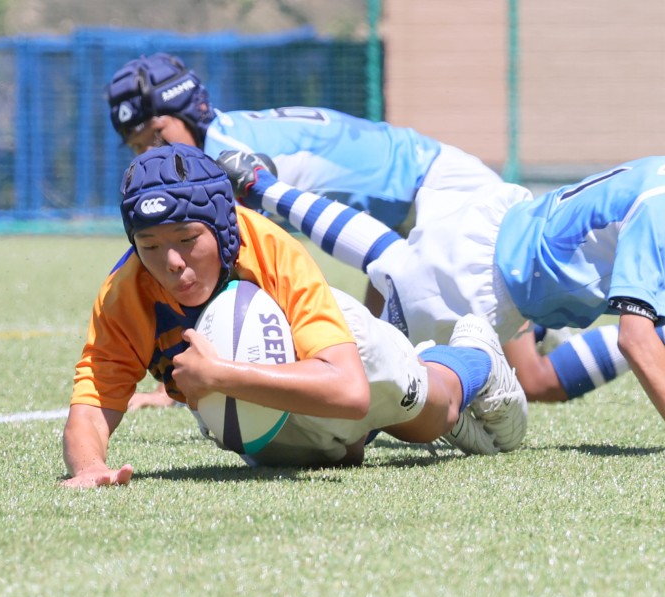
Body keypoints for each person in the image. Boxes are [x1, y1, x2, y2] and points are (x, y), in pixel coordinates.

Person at [105, 51, 629, 406]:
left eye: (157, 134)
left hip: (444, 202)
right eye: (137, 146)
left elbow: (247, 273)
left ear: (189, 112)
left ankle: (646, 332)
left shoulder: (225, 157)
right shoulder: (226, 136)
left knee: (526, 378)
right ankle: (556, 327)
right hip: (411, 214)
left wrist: (203, 369)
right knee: (388, 353)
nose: (151, 154)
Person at [60, 144, 528, 488]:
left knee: (432, 418)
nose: (172, 262)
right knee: (338, 456)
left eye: (187, 239)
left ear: (223, 229)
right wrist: (90, 467)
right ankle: (358, 433)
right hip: (260, 396)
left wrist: (219, 375)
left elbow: (349, 392)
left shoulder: (269, 249)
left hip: (339, 354)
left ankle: (474, 357)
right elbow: (91, 408)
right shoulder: (125, 293)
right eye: (150, 246)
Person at [217, 152, 665, 422]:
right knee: (374, 388)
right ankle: (259, 379)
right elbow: (635, 338)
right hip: (482, 282)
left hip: (494, 232)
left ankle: (263, 187)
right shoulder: (657, 208)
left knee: (390, 259)